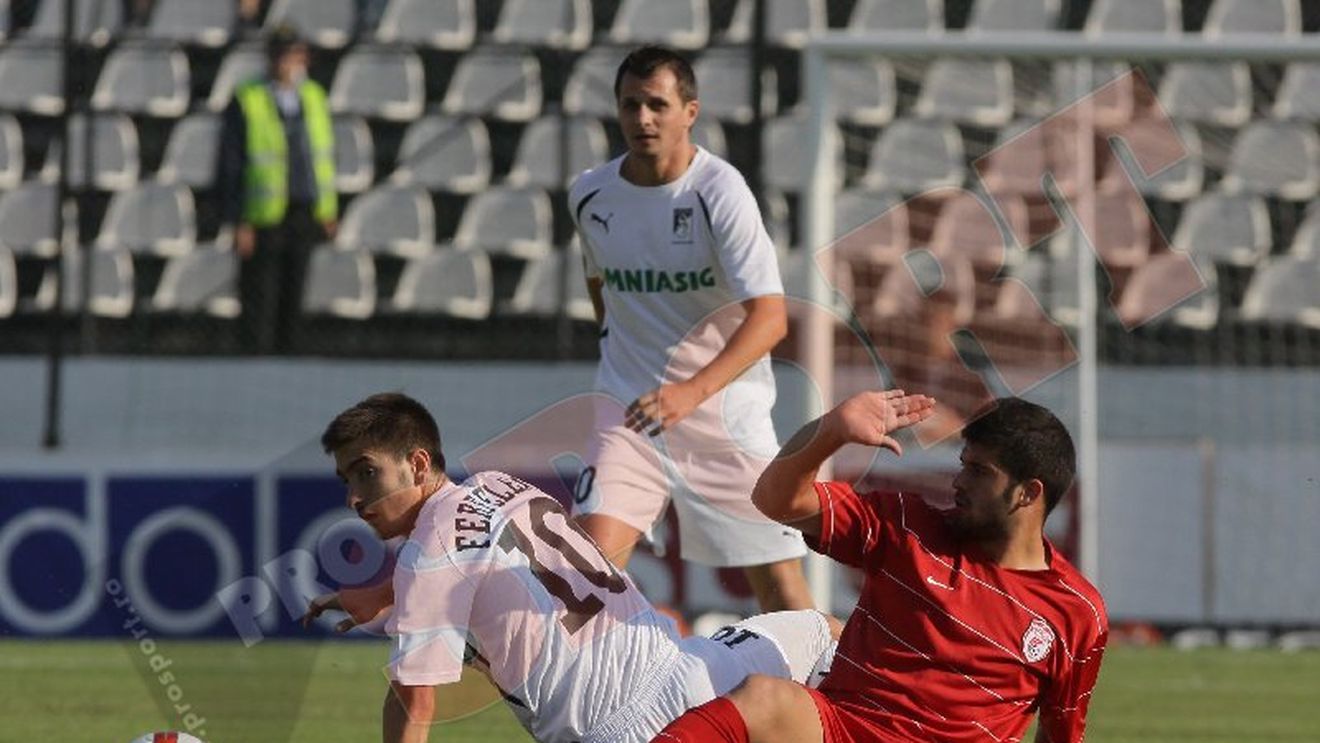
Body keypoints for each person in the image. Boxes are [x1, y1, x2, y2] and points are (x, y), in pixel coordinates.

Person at [302, 392, 837, 743]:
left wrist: (397, 590)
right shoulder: (498, 485)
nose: (354, 498)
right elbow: (464, 560)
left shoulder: (426, 563)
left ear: (418, 464)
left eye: (366, 473)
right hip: (691, 670)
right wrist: (385, 593)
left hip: (617, 733)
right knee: (826, 632)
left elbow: (414, 704)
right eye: (348, 480)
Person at [653, 391, 1109, 743]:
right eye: (963, 464)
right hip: (845, 728)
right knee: (766, 698)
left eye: (979, 471)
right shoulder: (905, 527)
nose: (958, 480)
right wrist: (832, 430)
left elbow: (1061, 734)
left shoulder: (1077, 612)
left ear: (1029, 493)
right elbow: (775, 499)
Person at [567, 45, 813, 612]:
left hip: (724, 418)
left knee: (784, 599)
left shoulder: (719, 193)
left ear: (690, 112)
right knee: (587, 580)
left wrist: (689, 391)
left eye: (657, 104)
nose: (643, 118)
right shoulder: (590, 193)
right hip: (630, 413)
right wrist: (621, 352)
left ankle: (853, 669)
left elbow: (771, 318)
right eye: (631, 105)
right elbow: (600, 281)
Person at [216, 25, 337, 353]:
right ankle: (255, 364)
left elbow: (322, 159)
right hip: (263, 216)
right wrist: (238, 219)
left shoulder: (314, 97)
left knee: (293, 297)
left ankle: (289, 360)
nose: (285, 62)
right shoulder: (248, 98)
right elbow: (231, 163)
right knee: (259, 300)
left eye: (291, 54)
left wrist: (327, 210)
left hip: (303, 210)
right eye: (280, 54)